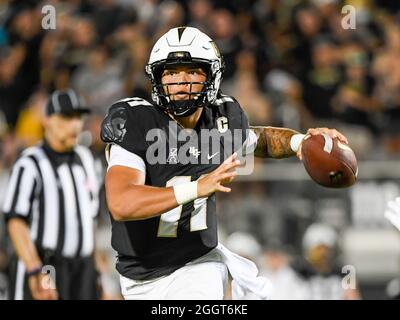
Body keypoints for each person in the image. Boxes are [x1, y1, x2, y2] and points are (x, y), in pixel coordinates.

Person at [101, 26, 348, 300]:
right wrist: (197, 188)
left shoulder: (222, 119)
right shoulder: (136, 121)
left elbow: (260, 140)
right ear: (157, 77)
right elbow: (121, 202)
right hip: (136, 274)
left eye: (192, 71)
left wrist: (301, 142)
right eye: (171, 72)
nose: (181, 82)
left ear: (212, 76)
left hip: (197, 262)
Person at [3, 89, 100, 300]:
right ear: (47, 120)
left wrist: (97, 275)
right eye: (66, 117)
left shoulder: (87, 160)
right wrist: (33, 269)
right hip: (46, 266)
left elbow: (89, 219)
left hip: (82, 269)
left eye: (78, 117)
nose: (75, 124)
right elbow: (15, 221)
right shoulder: (30, 163)